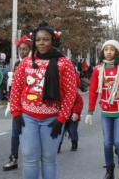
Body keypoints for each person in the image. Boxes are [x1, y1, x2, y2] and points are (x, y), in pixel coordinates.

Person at [10, 22, 77, 179]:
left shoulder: (64, 63)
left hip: (52, 119)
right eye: (39, 39)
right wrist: (16, 113)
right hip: (28, 118)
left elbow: (70, 93)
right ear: (34, 42)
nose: (42, 43)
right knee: (30, 159)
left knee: (48, 159)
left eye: (46, 39)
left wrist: (61, 119)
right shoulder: (26, 62)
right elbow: (16, 89)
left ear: (52, 40)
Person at [85, 40, 119, 179]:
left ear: (116, 52)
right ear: (102, 52)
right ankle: (110, 170)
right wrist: (90, 111)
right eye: (106, 49)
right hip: (106, 112)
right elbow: (93, 91)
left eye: (112, 49)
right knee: (107, 143)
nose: (108, 52)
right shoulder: (98, 69)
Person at [3, 35, 32, 171]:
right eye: (20, 49)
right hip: (18, 103)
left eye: (25, 49)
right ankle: (13, 158)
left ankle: (32, 158)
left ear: (30, 50)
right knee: (15, 132)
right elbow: (14, 85)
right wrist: (10, 102)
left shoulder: (34, 62)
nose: (22, 51)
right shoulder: (16, 64)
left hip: (32, 103)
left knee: (29, 133)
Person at [58, 73, 84, 153]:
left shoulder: (76, 95)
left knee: (73, 131)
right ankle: (57, 146)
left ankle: (74, 142)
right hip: (62, 115)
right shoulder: (60, 93)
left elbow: (79, 104)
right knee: (60, 131)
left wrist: (75, 113)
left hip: (73, 116)